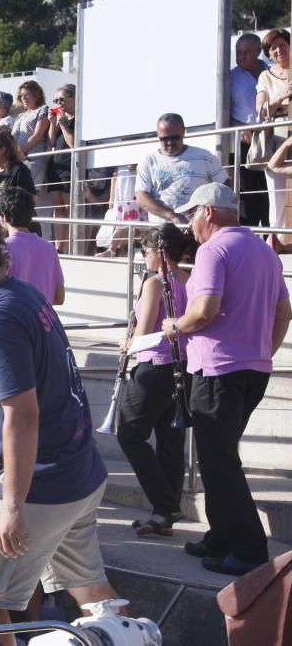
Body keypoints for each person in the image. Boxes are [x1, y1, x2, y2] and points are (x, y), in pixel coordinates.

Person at [0, 214, 117, 645]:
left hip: (39, 488)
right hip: (77, 474)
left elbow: (22, 414)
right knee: (92, 595)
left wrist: (12, 504)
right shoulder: (24, 295)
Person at [165, 183, 292, 576]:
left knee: (219, 462)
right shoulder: (264, 251)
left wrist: (174, 325)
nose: (190, 224)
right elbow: (284, 311)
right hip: (252, 368)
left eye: (192, 215)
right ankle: (220, 536)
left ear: (210, 213)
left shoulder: (213, 249)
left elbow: (203, 310)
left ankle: (249, 549)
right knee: (221, 458)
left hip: (219, 369)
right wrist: (263, 352)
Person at [117, 223, 192, 538]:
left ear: (156, 252)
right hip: (183, 366)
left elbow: (145, 332)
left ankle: (164, 503)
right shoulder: (188, 279)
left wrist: (127, 344)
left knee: (129, 435)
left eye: (144, 251)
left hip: (155, 366)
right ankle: (164, 513)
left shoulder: (155, 283)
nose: (142, 256)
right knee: (170, 440)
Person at [135, 113, 229, 223]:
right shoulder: (148, 160)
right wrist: (172, 216)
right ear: (157, 135)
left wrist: (206, 207)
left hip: (196, 230)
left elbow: (225, 187)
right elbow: (142, 198)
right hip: (161, 231)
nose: (170, 143)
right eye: (164, 139)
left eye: (175, 138)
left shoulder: (204, 157)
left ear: (184, 132)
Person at [0, 187, 65, 306]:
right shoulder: (50, 248)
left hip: (15, 321)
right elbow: (59, 298)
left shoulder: (2, 249)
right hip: (43, 321)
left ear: (3, 216)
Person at [256, 29, 292, 249]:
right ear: (269, 54)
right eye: (273, 48)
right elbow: (260, 110)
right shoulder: (266, 76)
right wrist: (282, 96)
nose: (279, 50)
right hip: (278, 140)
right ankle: (277, 241)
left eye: (282, 45)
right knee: (277, 195)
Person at [231, 32, 269, 228]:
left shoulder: (271, 72)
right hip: (245, 143)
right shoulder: (230, 78)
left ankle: (273, 237)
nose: (241, 57)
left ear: (258, 52)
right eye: (238, 52)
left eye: (246, 52)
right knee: (249, 193)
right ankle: (252, 235)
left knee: (270, 191)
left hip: (271, 138)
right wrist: (240, 127)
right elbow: (222, 112)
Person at [46, 84, 76, 252]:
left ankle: (72, 247)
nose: (59, 104)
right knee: (58, 209)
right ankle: (60, 248)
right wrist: (53, 124)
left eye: (62, 99)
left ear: (74, 98)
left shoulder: (78, 120)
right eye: (56, 100)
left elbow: (73, 144)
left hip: (68, 167)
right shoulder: (60, 119)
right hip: (55, 167)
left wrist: (64, 125)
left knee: (70, 208)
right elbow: (50, 143)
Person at [12, 81, 50, 185]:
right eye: (21, 95)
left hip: (34, 158)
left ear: (36, 94)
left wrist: (21, 151)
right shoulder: (20, 116)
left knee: (26, 188)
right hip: (19, 159)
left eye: (26, 94)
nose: (23, 98)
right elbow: (13, 137)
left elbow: (38, 135)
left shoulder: (43, 109)